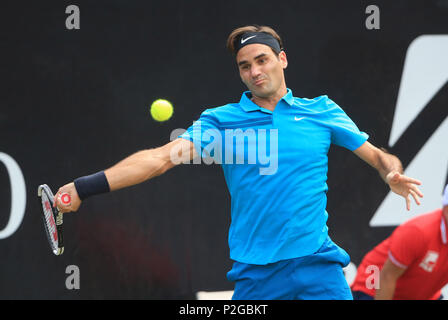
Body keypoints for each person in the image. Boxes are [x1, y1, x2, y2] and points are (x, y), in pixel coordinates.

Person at [53, 25, 423, 300]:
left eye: (262, 59)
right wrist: (85, 186)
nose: (255, 71)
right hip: (257, 275)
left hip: (318, 266)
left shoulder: (322, 111)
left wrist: (391, 172)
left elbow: (376, 154)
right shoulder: (220, 121)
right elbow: (160, 159)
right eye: (245, 66)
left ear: (282, 58)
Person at [351, 184, 448, 300]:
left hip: (422, 293)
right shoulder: (419, 232)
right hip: (373, 286)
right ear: (446, 209)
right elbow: (387, 277)